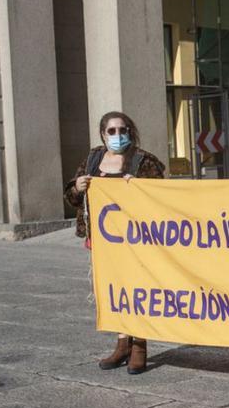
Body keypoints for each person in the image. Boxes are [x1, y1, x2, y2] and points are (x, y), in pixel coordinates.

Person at [64, 111, 166, 375]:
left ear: (130, 132)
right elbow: (72, 199)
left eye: (123, 130)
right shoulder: (93, 159)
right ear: (102, 134)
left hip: (136, 241)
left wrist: (139, 187)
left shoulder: (144, 161)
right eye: (111, 131)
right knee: (113, 291)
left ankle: (139, 345)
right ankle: (122, 344)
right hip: (103, 242)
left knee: (137, 291)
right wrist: (77, 187)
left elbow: (163, 198)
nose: (117, 136)